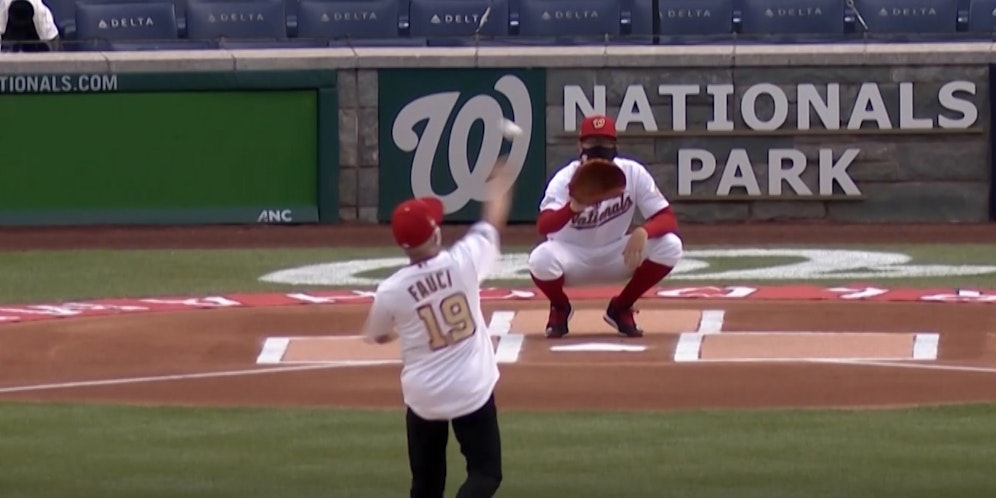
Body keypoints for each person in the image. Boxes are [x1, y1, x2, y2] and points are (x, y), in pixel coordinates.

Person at [362, 161, 515, 498]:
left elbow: (376, 334)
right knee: (485, 474)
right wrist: (500, 182)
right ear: (435, 234)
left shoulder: (392, 289)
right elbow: (492, 222)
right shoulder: (464, 261)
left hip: (424, 398)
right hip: (471, 390)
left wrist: (403, 328)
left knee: (426, 485)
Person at [528, 114, 683, 338]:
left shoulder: (632, 173)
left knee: (670, 245)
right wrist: (572, 207)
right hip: (571, 257)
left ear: (615, 145)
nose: (599, 149)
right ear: (580, 145)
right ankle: (560, 306)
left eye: (605, 143)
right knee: (539, 259)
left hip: (616, 254)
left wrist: (643, 231)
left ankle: (621, 307)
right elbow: (544, 226)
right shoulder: (565, 179)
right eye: (592, 143)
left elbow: (667, 218)